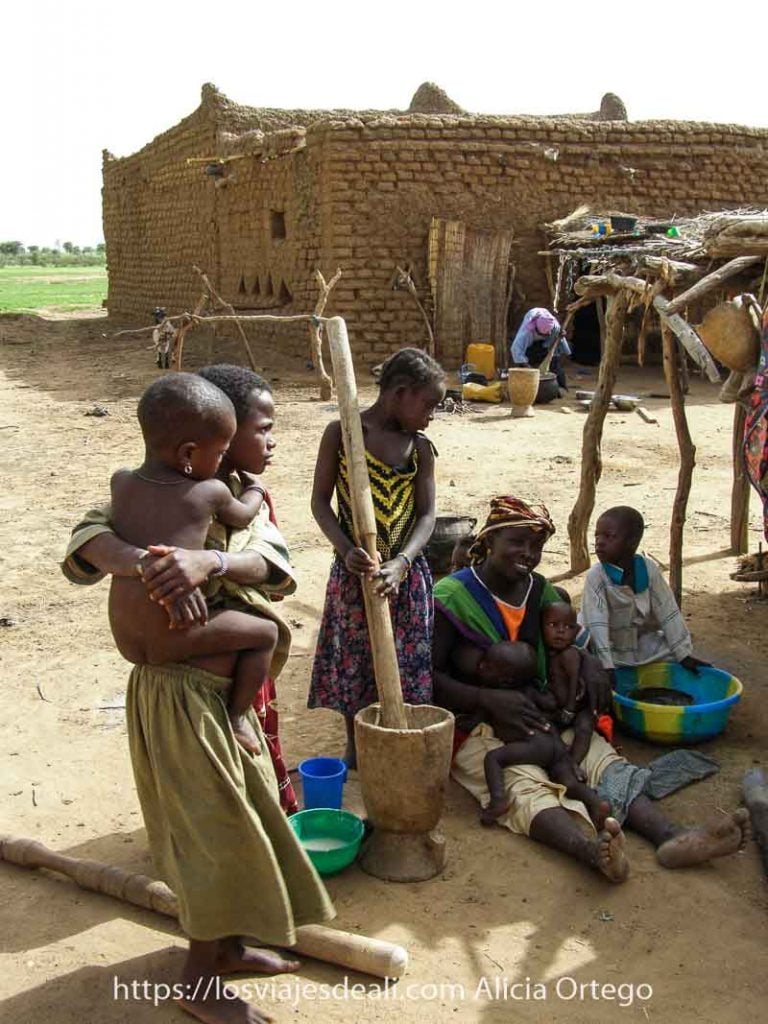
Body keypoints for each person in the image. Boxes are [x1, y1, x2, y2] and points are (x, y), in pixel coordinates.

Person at [63, 365, 331, 1024]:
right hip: (184, 698)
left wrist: (205, 561)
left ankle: (229, 947)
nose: (270, 442)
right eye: (259, 430)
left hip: (232, 693)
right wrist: (149, 562)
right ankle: (198, 982)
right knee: (216, 833)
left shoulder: (236, 500)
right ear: (212, 439)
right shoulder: (159, 489)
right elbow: (87, 541)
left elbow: (274, 566)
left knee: (246, 814)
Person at [433, 495, 750, 883]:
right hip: (480, 724)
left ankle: (670, 836)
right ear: (490, 541)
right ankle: (589, 852)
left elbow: (572, 646)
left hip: (545, 713)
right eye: (517, 542)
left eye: (537, 546)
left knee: (603, 764)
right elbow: (425, 678)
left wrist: (590, 663)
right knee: (522, 787)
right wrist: (486, 697)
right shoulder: (450, 597)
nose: (528, 554)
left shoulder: (541, 593)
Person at [109, 373, 277, 755]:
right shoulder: (209, 492)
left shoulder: (120, 484)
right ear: (188, 454)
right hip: (176, 635)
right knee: (265, 633)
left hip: (127, 637)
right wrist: (255, 489)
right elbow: (244, 515)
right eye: (219, 452)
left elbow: (99, 538)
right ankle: (235, 717)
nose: (221, 459)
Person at [309, 347, 445, 767]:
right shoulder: (345, 435)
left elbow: (427, 516)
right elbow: (320, 504)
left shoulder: (419, 448)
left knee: (404, 662)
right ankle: (357, 745)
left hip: (404, 576)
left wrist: (402, 562)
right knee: (356, 660)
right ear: (400, 393)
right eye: (428, 405)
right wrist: (347, 549)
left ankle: (396, 734)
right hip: (356, 575)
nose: (431, 416)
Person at [467, 640, 610, 830]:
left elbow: (475, 719)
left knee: (493, 758)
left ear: (505, 681)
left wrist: (464, 722)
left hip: (532, 745)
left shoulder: (495, 697)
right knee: (567, 780)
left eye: (488, 665)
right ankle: (595, 803)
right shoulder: (530, 691)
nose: (480, 665)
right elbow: (550, 703)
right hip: (554, 742)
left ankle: (498, 801)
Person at [581, 506, 709, 677]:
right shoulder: (596, 576)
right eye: (597, 535)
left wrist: (683, 654)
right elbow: (597, 623)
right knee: (584, 653)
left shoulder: (648, 569)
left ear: (632, 542)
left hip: (636, 640)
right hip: (604, 643)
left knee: (670, 653)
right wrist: (607, 666)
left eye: (609, 536)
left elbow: (668, 610)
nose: (599, 542)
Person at [509, 307, 571, 390]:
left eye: (547, 334)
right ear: (536, 330)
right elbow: (516, 349)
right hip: (531, 345)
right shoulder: (526, 333)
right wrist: (528, 368)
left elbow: (559, 341)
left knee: (554, 363)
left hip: (548, 338)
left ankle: (561, 386)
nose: (546, 336)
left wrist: (560, 335)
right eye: (543, 335)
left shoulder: (554, 327)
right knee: (527, 365)